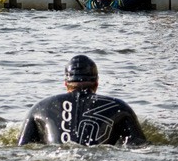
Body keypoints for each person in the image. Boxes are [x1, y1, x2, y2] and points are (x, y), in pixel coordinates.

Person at [17, 55, 147, 147]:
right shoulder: (120, 107)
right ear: (96, 83)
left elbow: (22, 148)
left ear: (66, 84)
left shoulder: (40, 108)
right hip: (98, 159)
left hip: (57, 158)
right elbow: (139, 146)